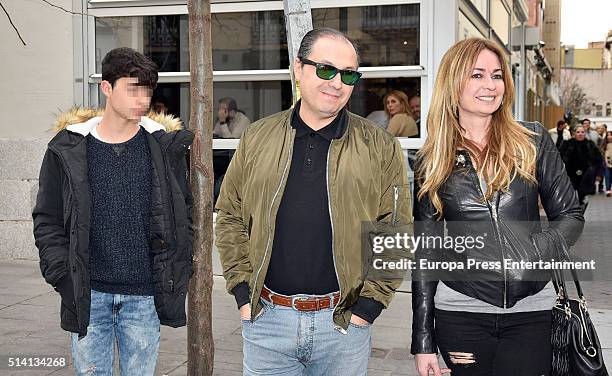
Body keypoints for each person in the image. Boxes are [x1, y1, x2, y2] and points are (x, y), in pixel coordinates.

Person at [215, 27, 411, 375]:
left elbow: (395, 231)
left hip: (344, 328)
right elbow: (229, 215)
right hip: (267, 322)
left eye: (348, 74)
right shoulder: (257, 137)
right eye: (325, 69)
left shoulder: (380, 146)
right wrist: (244, 294)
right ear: (298, 68)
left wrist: (367, 308)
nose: (336, 82)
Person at [411, 37, 584, 376]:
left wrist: (536, 250)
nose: (490, 86)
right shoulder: (432, 159)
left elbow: (570, 215)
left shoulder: (532, 141)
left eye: (497, 75)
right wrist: (422, 339)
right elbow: (426, 251)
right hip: (459, 311)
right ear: (453, 81)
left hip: (531, 310)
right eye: (477, 75)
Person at [32, 47, 194, 375]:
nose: (142, 98)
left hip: (145, 299)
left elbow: (184, 214)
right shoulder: (68, 149)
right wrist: (64, 278)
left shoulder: (164, 149)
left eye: (147, 89)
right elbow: (47, 219)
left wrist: (178, 271)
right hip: (89, 296)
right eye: (132, 88)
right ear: (107, 88)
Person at [560, 125, 604, 206]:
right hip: (570, 175)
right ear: (574, 133)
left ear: (585, 134)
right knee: (570, 197)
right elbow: (560, 159)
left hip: (586, 175)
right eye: (578, 132)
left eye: (582, 132)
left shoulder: (591, 145)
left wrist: (599, 174)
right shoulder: (567, 144)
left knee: (582, 197)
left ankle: (581, 209)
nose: (580, 134)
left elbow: (599, 161)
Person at [603, 131, 612, 197]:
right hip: (606, 162)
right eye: (608, 135)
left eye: (610, 135)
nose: (609, 136)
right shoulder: (604, 144)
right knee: (607, 176)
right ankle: (608, 190)